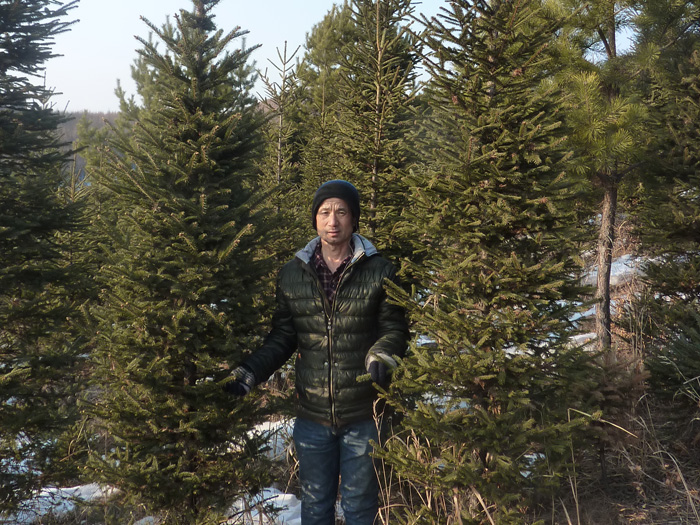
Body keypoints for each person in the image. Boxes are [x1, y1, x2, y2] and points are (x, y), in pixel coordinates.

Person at [224, 179, 409, 525]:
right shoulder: (293, 274)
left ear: (354, 218)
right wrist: (250, 371)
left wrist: (382, 354)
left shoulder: (380, 271)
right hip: (312, 416)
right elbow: (282, 337)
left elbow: (394, 329)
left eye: (341, 212)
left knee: (359, 508)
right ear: (315, 219)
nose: (332, 220)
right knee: (315, 506)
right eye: (325, 212)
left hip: (362, 414)